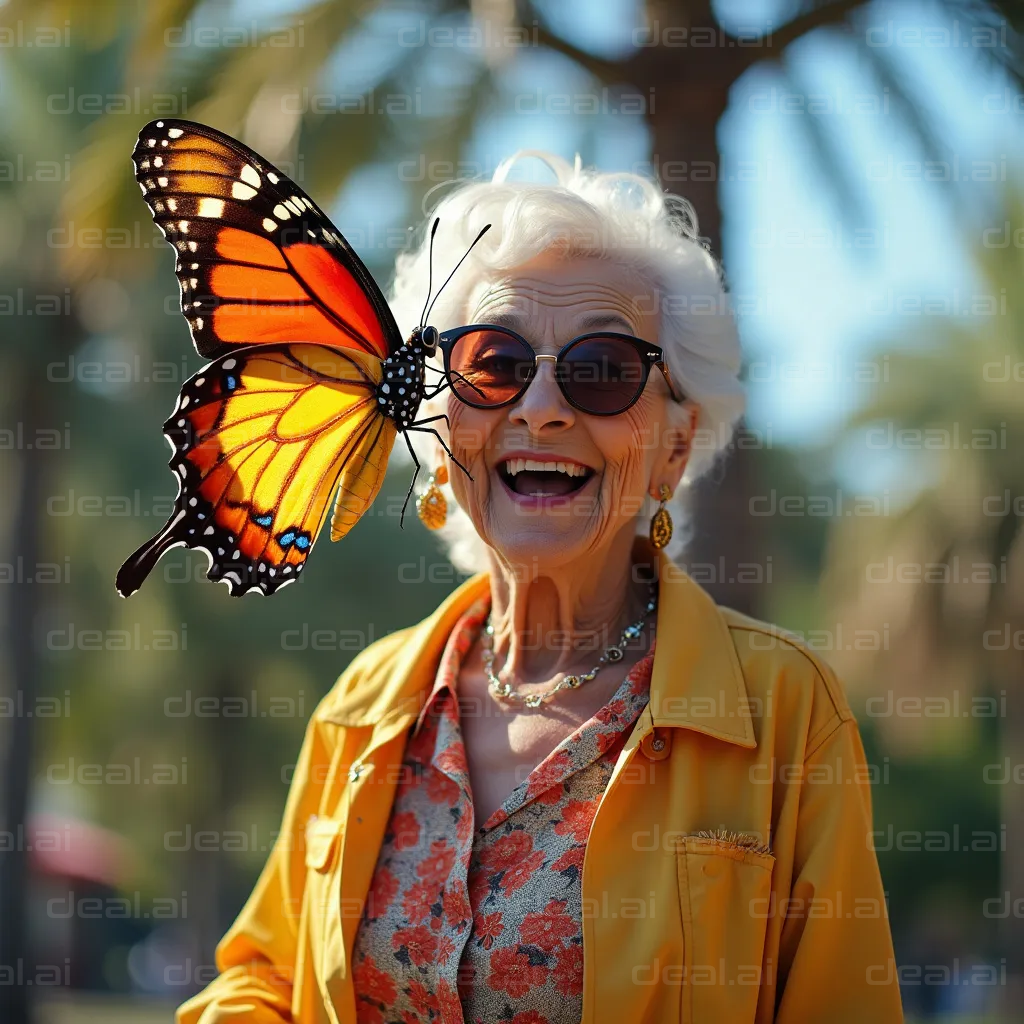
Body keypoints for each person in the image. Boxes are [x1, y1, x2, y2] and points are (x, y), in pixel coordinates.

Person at [177, 152, 902, 1023]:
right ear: (444, 422)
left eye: (602, 369)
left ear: (676, 446)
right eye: (493, 362)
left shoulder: (785, 712)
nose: (541, 406)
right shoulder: (364, 705)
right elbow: (269, 981)